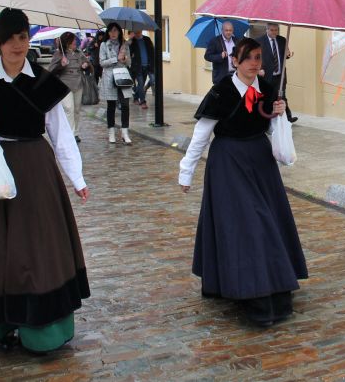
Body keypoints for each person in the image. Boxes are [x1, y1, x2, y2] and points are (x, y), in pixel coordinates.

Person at [0, 8, 91, 354]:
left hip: (35, 172)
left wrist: (77, 177)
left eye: (23, 37)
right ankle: (0, 325)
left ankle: (40, 332)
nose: (17, 45)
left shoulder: (43, 82)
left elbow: (60, 134)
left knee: (37, 250)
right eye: (10, 38)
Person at [179, 37, 308, 326]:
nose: (254, 63)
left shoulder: (268, 89)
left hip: (261, 162)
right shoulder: (222, 91)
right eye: (248, 57)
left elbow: (275, 130)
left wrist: (278, 115)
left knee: (268, 220)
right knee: (246, 223)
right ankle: (252, 290)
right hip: (228, 162)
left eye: (259, 57)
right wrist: (186, 171)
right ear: (235, 60)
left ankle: (273, 281)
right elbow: (202, 134)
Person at [49, 32, 92, 143]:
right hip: (65, 85)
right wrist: (61, 66)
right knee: (68, 108)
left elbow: (88, 65)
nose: (75, 42)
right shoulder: (59, 54)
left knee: (77, 110)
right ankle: (70, 133)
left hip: (78, 84)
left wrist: (85, 66)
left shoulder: (79, 53)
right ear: (66, 42)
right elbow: (51, 71)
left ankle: (76, 132)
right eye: (72, 41)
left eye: (75, 40)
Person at [257, 23, 298, 123]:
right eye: (272, 30)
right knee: (267, 97)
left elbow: (285, 55)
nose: (274, 32)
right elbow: (255, 57)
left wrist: (288, 55)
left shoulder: (282, 40)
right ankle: (266, 119)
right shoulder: (259, 41)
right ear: (266, 30)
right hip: (266, 75)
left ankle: (287, 117)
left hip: (280, 75)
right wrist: (259, 69)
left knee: (282, 95)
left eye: (276, 30)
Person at [99, 22, 133, 144]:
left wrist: (124, 59)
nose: (113, 33)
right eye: (111, 31)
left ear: (119, 32)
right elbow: (102, 62)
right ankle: (111, 132)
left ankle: (125, 132)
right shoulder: (104, 45)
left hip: (122, 77)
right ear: (108, 33)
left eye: (115, 31)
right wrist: (115, 59)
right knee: (111, 106)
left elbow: (129, 63)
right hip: (109, 78)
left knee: (125, 105)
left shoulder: (124, 45)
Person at [129, 29, 155, 109]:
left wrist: (153, 62)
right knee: (140, 83)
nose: (137, 33)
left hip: (148, 65)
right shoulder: (132, 41)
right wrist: (130, 40)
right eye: (135, 32)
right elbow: (128, 52)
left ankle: (137, 96)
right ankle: (143, 101)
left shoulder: (147, 39)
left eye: (138, 31)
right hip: (138, 66)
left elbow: (152, 51)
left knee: (153, 79)